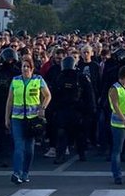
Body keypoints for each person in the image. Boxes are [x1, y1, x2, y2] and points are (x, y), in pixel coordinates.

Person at [9, 55, 51, 184]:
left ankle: (25, 172)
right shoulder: (15, 80)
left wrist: (42, 108)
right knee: (19, 146)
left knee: (29, 149)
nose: (25, 69)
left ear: (32, 68)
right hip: (17, 118)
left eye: (28, 67)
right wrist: (7, 117)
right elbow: (9, 101)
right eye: (23, 67)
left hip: (32, 119)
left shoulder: (38, 80)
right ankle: (16, 173)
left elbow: (47, 95)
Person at [50, 54, 95, 163]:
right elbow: (54, 95)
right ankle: (63, 155)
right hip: (65, 109)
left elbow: (89, 95)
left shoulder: (81, 78)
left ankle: (80, 154)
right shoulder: (60, 77)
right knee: (64, 133)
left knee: (78, 134)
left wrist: (90, 110)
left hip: (76, 109)